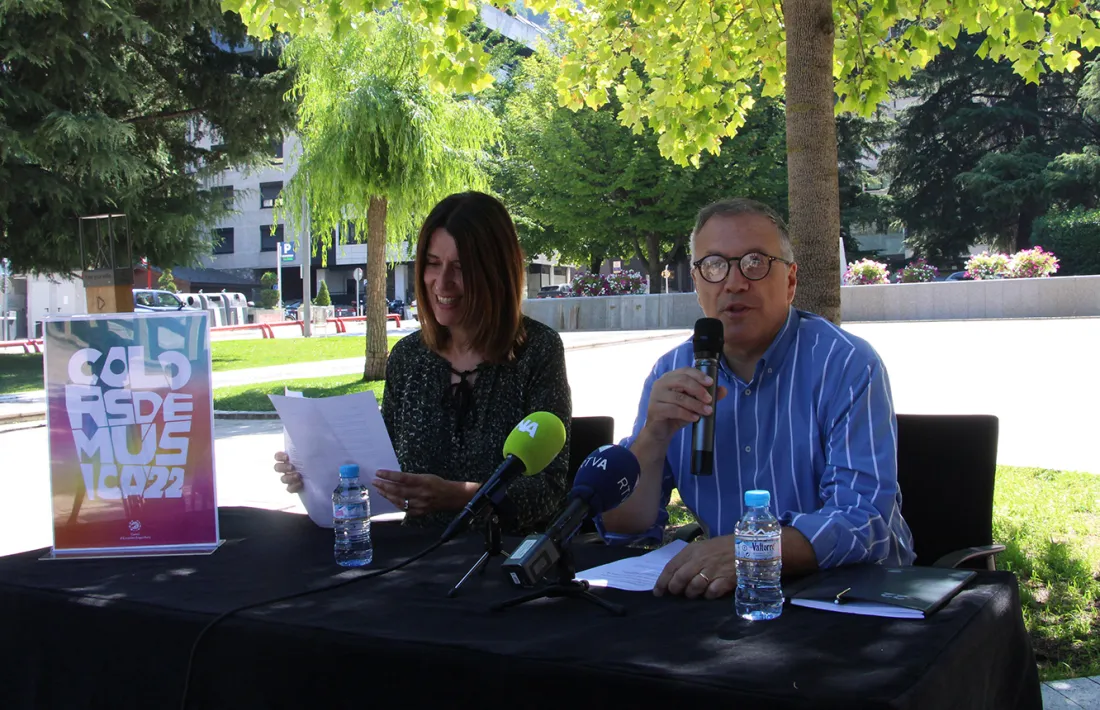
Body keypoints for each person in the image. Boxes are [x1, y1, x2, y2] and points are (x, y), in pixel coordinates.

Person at [599, 198, 915, 599]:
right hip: (731, 598)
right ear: (697, 285)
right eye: (713, 265)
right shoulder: (672, 372)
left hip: (850, 595)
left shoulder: (846, 364)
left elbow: (864, 521)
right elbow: (625, 529)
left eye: (755, 262)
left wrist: (754, 549)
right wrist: (653, 437)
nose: (733, 282)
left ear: (790, 281)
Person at [275, 192, 572, 535]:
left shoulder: (539, 351)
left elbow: (549, 491)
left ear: (497, 272)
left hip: (506, 561)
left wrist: (459, 496)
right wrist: (315, 473)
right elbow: (382, 475)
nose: (442, 283)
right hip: (415, 557)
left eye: (461, 268)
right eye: (432, 263)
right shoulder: (408, 358)